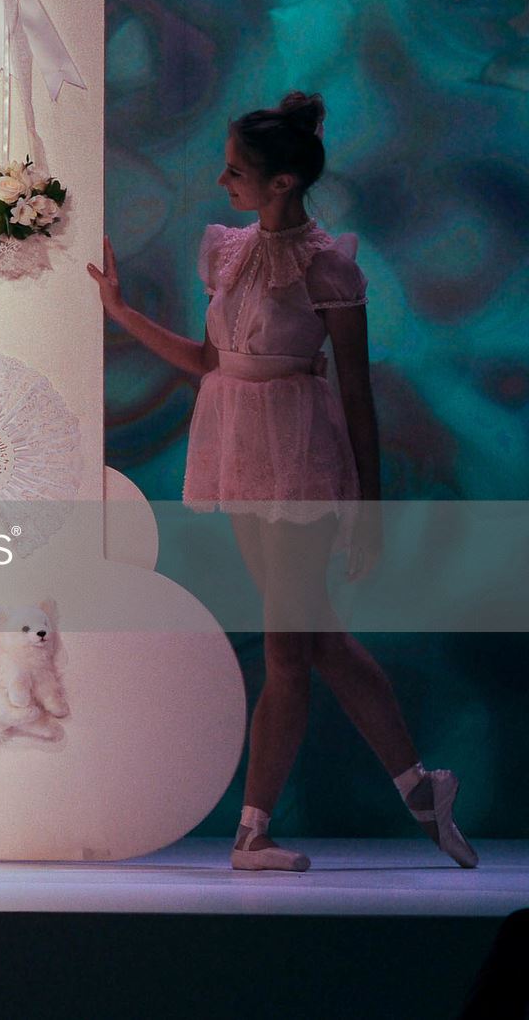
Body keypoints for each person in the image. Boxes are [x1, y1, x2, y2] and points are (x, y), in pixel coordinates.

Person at [88, 90, 476, 873]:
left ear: (284, 182)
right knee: (318, 639)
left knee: (287, 652)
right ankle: (420, 787)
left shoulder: (328, 265)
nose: (222, 180)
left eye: (237, 170)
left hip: (300, 457)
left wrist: (367, 511)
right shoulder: (227, 252)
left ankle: (252, 833)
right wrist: (120, 311)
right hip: (239, 451)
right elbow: (209, 362)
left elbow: (357, 393)